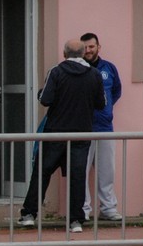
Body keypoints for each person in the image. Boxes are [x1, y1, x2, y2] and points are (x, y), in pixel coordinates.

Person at [17, 39, 106, 233]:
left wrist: (41, 92)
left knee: (42, 173)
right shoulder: (95, 74)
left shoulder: (56, 72)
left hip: (55, 133)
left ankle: (29, 215)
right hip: (81, 134)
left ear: (64, 54)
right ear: (83, 54)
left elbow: (45, 99)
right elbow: (101, 103)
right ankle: (75, 221)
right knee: (77, 176)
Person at [81, 32, 123, 221]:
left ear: (98, 47)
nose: (88, 50)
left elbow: (116, 92)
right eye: (85, 47)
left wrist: (105, 110)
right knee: (80, 172)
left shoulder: (109, 68)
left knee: (107, 172)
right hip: (82, 128)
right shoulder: (77, 69)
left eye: (91, 46)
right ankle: (83, 210)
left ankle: (108, 209)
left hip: (105, 127)